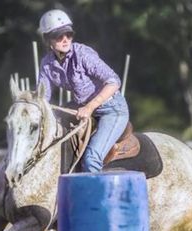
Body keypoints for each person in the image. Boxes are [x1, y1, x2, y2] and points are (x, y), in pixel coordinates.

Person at [37, 9, 129, 173]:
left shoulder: (83, 54)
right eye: (59, 36)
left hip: (111, 109)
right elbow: (42, 98)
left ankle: (98, 198)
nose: (65, 39)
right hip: (80, 106)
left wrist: (89, 107)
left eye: (68, 34)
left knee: (91, 158)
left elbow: (114, 81)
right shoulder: (46, 63)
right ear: (47, 39)